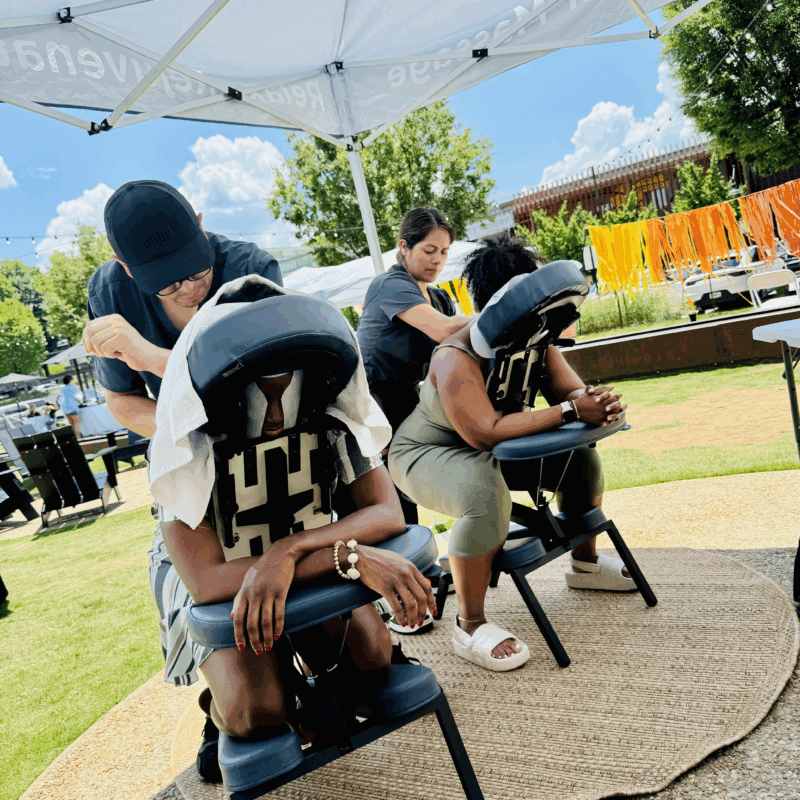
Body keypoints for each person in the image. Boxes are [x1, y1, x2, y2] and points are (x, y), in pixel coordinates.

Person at [148, 279, 436, 783]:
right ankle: (216, 708)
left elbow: (386, 512)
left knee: (373, 662)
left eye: (288, 390)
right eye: (263, 394)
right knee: (257, 712)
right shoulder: (186, 439)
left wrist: (289, 550)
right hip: (221, 574)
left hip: (299, 551)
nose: (277, 415)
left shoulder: (329, 414)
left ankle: (295, 664)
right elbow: (206, 580)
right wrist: (348, 556)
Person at [388, 235, 629, 674]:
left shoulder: (539, 342)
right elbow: (484, 433)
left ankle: (585, 565)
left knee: (581, 462)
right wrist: (573, 409)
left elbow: (569, 391)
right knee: (483, 492)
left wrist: (594, 401)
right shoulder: (455, 355)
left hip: (497, 447)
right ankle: (469, 624)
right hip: (426, 452)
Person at [81, 180, 282, 438]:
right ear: (126, 267)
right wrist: (194, 440)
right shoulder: (110, 293)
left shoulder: (251, 270)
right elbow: (122, 397)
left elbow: (265, 380)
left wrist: (150, 357)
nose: (188, 290)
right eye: (167, 284)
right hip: (182, 444)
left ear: (200, 226)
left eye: (197, 269)